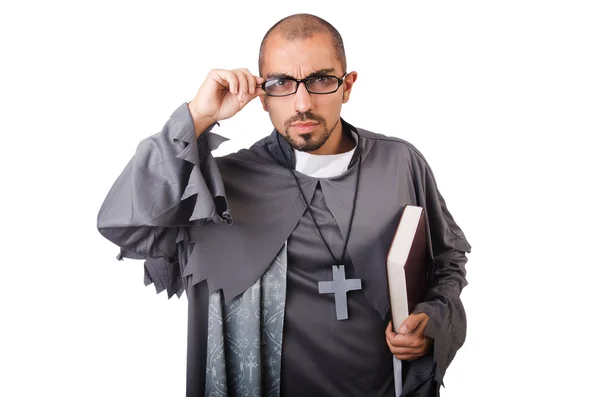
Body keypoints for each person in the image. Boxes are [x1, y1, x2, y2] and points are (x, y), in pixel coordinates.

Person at [97, 13, 471, 397]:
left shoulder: (400, 163)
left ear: (348, 86)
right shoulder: (225, 185)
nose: (302, 103)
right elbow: (125, 224)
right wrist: (197, 117)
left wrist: (433, 323)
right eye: (281, 84)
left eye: (322, 79)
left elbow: (447, 262)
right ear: (262, 95)